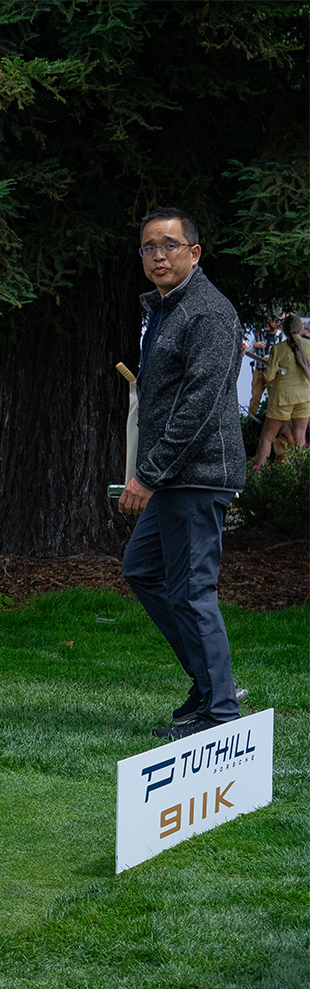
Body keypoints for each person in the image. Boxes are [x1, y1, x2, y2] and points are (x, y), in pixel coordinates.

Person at [117, 208, 245, 741]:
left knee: (193, 591)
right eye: (149, 247)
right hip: (175, 477)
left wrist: (147, 474)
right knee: (143, 570)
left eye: (170, 245)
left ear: (194, 253)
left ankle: (219, 715)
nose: (158, 255)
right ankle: (207, 681)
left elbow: (198, 405)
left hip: (196, 476)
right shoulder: (170, 309)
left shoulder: (208, 313)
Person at [253, 312, 310, 465]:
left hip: (282, 398)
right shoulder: (309, 345)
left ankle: (259, 474)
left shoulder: (278, 349)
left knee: (267, 437)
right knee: (300, 439)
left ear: (283, 329)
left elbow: (269, 377)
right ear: (300, 328)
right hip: (305, 397)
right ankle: (302, 477)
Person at [247, 314, 282, 416]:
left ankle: (272, 420)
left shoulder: (281, 337)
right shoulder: (260, 335)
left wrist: (273, 355)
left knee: (274, 398)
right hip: (259, 371)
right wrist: (255, 345)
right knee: (255, 398)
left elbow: (285, 356)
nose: (268, 324)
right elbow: (247, 351)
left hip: (273, 372)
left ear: (276, 323)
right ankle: (251, 419)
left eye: (270, 321)